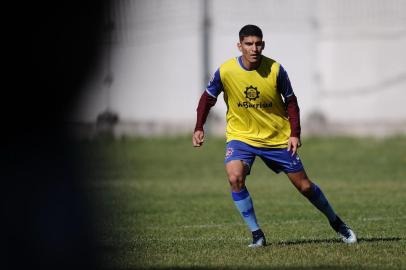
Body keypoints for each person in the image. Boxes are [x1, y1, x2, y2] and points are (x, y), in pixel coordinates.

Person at [192, 24, 357, 248]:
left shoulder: (276, 70)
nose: (254, 48)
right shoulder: (226, 71)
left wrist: (294, 133)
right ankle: (257, 235)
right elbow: (207, 98)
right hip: (242, 137)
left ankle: (338, 224)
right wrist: (199, 126)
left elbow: (291, 101)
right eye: (249, 44)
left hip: (276, 138)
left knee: (305, 187)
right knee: (234, 177)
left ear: (263, 45)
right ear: (239, 46)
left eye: (258, 43)